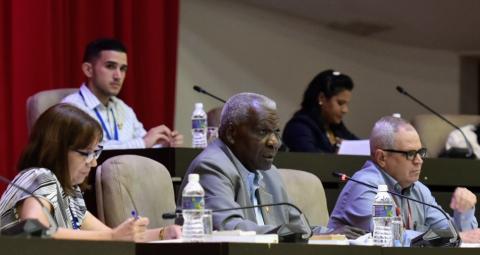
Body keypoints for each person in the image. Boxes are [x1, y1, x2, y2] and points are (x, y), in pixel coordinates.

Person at [177, 92, 365, 238]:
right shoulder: (211, 167)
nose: (274, 142)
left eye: (276, 132)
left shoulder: (269, 173)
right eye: (262, 131)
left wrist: (331, 233)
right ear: (231, 133)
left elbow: (299, 228)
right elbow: (230, 228)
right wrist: (295, 234)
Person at [0, 103, 181, 241]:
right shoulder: (40, 176)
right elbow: (32, 230)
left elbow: (112, 235)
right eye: (86, 153)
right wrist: (112, 238)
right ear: (56, 149)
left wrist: (164, 233)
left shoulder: (69, 191)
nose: (93, 163)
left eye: (95, 153)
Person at [328, 116, 478, 240]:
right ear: (382, 157)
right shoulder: (364, 185)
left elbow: (457, 236)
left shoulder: (419, 190)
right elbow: (389, 237)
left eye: (421, 152)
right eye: (410, 154)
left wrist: (463, 213)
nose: (419, 160)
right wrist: (451, 238)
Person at [62, 38, 183, 150]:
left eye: (123, 69)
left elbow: (145, 145)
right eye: (110, 66)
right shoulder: (72, 107)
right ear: (88, 70)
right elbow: (94, 150)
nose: (118, 76)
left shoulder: (123, 108)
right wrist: (143, 143)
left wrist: (163, 144)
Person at [282, 69, 357, 153]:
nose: (345, 110)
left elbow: (361, 146)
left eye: (347, 104)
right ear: (322, 98)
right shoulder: (299, 127)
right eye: (340, 103)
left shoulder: (336, 128)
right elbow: (312, 160)